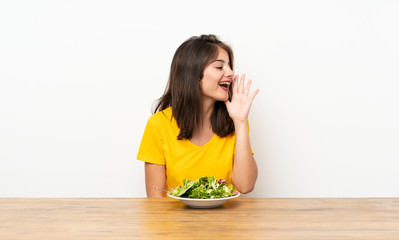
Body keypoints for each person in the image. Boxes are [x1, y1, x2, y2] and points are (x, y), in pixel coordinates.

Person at [137, 34, 259, 198]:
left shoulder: (235, 121)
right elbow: (155, 200)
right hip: (175, 222)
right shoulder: (159, 124)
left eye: (230, 66)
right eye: (219, 67)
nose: (230, 73)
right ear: (192, 74)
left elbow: (245, 186)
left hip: (227, 222)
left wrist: (241, 123)